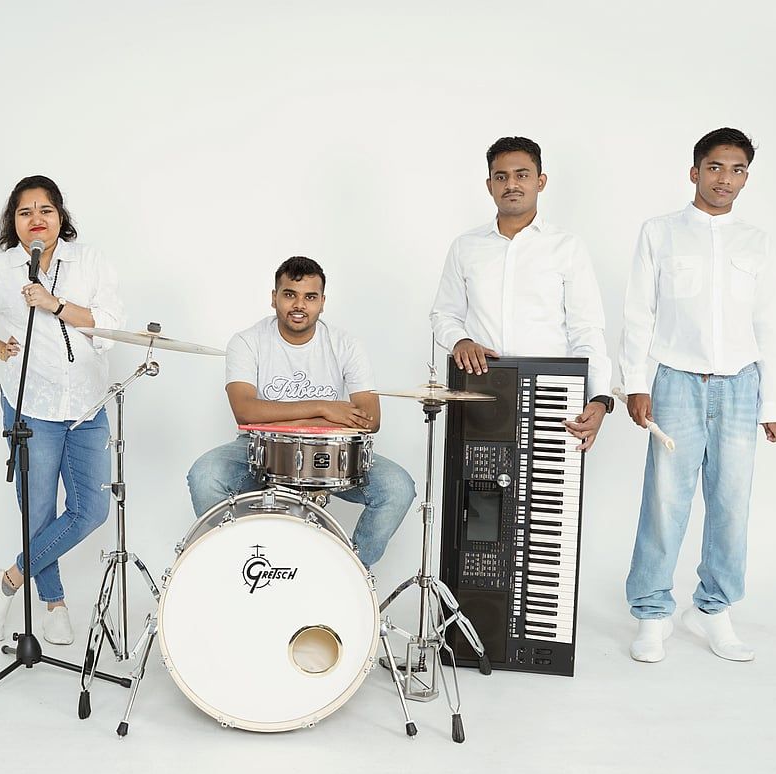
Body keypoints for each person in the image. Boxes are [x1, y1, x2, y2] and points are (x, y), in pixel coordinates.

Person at [620, 127, 776, 663]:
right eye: (715, 167)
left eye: (738, 170)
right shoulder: (660, 232)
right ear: (695, 171)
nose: (725, 179)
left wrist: (772, 402)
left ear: (746, 178)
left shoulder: (756, 241)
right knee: (665, 500)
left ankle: (714, 609)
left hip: (741, 386)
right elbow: (639, 313)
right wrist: (636, 383)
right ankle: (652, 613)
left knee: (732, 503)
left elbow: (771, 323)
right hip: (676, 382)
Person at [0, 175, 123, 646]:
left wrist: (55, 304)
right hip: (32, 405)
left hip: (87, 406)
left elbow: (111, 325)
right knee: (37, 512)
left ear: (60, 215)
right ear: (13, 221)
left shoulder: (90, 261)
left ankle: (6, 580)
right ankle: (54, 603)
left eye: (45, 210)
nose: (36, 219)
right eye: (25, 212)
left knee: (91, 510)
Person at [186, 256, 415, 569]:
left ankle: (350, 572)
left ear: (322, 302)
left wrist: (285, 417)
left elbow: (371, 419)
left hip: (330, 451)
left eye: (310, 297)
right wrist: (324, 409)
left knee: (398, 488)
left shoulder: (346, 345)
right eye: (289, 294)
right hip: (261, 447)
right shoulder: (247, 342)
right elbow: (245, 412)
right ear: (274, 298)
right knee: (204, 475)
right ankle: (242, 568)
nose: (299, 305)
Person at [430, 136, 615, 451]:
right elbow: (443, 314)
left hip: (551, 390)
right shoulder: (465, 247)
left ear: (540, 181)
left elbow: (586, 328)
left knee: (547, 478)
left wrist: (599, 397)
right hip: (481, 386)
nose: (511, 184)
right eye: (501, 177)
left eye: (522, 175)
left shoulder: (567, 247)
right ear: (489, 185)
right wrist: (460, 341)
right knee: (477, 477)